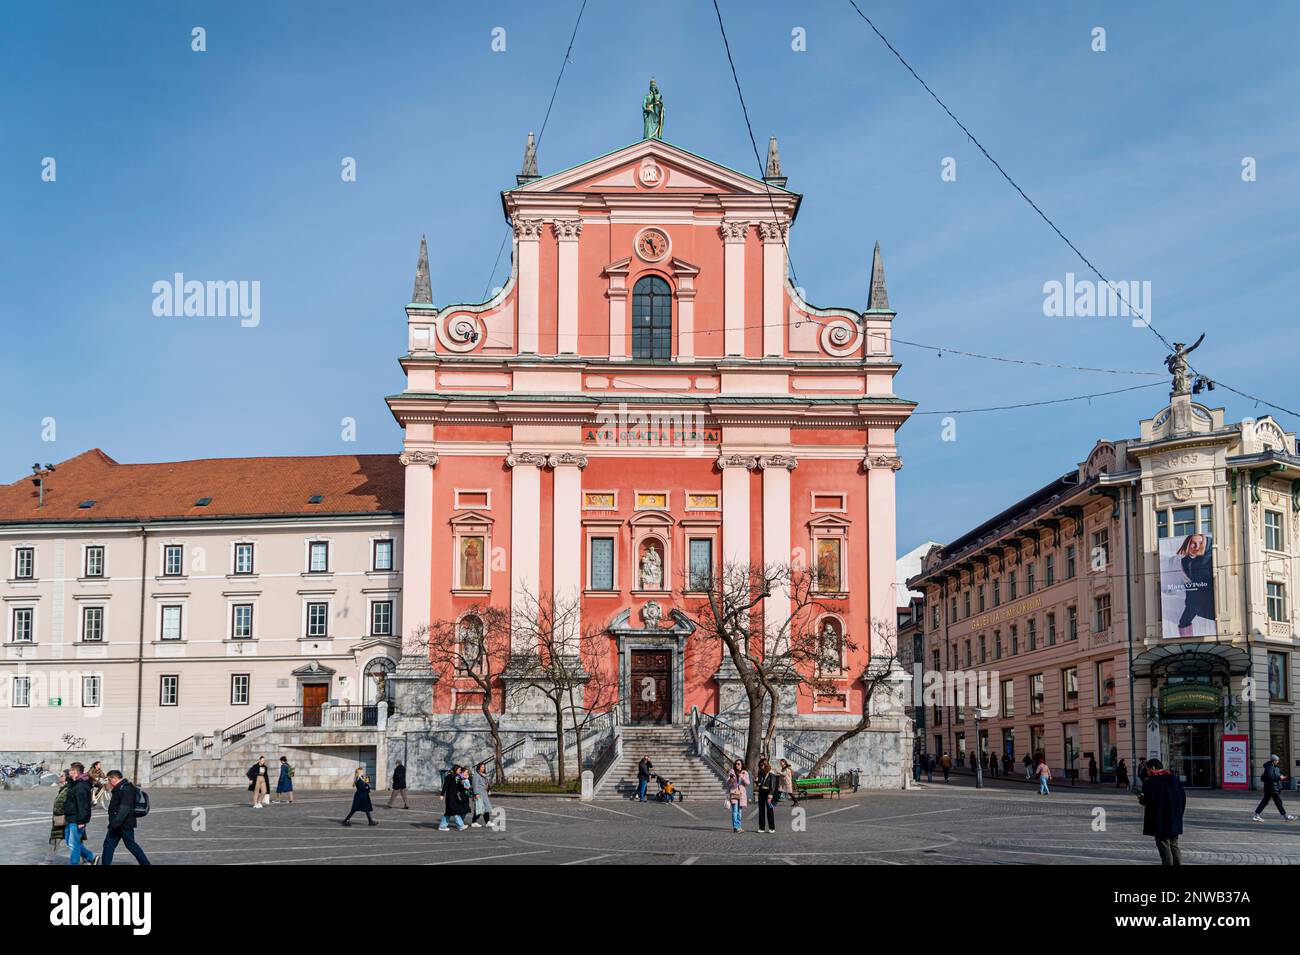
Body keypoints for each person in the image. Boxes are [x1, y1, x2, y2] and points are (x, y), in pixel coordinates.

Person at [1138, 758, 1186, 865]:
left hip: (1160, 821)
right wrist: (1179, 815)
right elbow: (1183, 798)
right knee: (1174, 845)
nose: (1147, 772)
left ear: (1153, 768)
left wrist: (1140, 798)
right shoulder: (1174, 778)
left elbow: (1147, 800)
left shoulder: (1151, 782)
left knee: (1164, 846)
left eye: (1147, 769)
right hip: (1174, 819)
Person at [101, 770, 150, 865]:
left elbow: (125, 808)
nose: (109, 783)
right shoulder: (121, 788)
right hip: (118, 824)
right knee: (108, 845)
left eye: (110, 780)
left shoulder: (126, 789)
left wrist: (115, 823)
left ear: (115, 778)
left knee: (131, 845)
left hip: (123, 824)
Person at [65, 762, 96, 865]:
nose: (69, 771)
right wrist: (70, 780)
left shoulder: (81, 786)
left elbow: (83, 805)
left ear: (75, 772)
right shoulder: (75, 783)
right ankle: (90, 856)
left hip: (76, 819)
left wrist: (81, 821)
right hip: (70, 817)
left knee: (73, 844)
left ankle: (74, 863)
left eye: (70, 770)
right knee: (70, 842)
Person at [1253, 754, 1297, 821]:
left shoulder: (1272, 766)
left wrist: (1279, 776)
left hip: (1272, 788)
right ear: (1274, 761)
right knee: (1278, 802)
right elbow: (1270, 777)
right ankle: (1286, 816)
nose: (1278, 761)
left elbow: (1264, 777)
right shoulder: (1270, 767)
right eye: (1277, 760)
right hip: (1272, 788)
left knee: (1266, 802)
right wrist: (1279, 777)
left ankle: (1256, 814)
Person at [45, 770, 70, 864]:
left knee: (73, 843)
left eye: (62, 776)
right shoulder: (63, 789)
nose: (60, 777)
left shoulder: (67, 790)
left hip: (63, 820)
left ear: (66, 778)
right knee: (55, 840)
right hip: (60, 820)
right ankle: (48, 860)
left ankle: (88, 858)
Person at [439, 765, 469, 831]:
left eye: (460, 770)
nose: (460, 771)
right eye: (459, 770)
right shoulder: (449, 776)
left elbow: (460, 787)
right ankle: (461, 825)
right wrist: (442, 794)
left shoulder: (458, 777)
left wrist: (463, 783)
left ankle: (442, 826)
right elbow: (445, 786)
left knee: (448, 813)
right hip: (450, 796)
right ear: (455, 770)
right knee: (455, 811)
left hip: (455, 796)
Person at [725, 758, 750, 833]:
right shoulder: (732, 772)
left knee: (739, 811)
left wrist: (741, 777)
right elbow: (728, 782)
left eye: (738, 764)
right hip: (734, 793)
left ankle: (739, 826)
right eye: (736, 764)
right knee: (734, 811)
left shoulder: (744, 772)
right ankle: (735, 827)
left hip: (741, 794)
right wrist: (731, 779)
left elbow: (748, 783)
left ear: (741, 765)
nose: (737, 765)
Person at [755, 758, 777, 833]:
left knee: (769, 810)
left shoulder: (771, 773)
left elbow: (773, 785)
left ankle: (772, 827)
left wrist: (771, 794)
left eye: (762, 765)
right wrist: (757, 781)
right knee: (761, 810)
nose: (761, 767)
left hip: (768, 792)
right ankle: (761, 827)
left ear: (766, 765)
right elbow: (759, 783)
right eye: (760, 765)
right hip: (761, 792)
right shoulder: (760, 772)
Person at [470, 762, 494, 827]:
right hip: (479, 794)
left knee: (486, 807)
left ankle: (487, 822)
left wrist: (489, 785)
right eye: (482, 767)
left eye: (483, 767)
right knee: (479, 808)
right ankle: (474, 822)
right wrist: (476, 793)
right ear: (479, 767)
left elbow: (486, 783)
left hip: (484, 793)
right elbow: (474, 785)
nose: (483, 768)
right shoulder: (476, 775)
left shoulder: (483, 774)